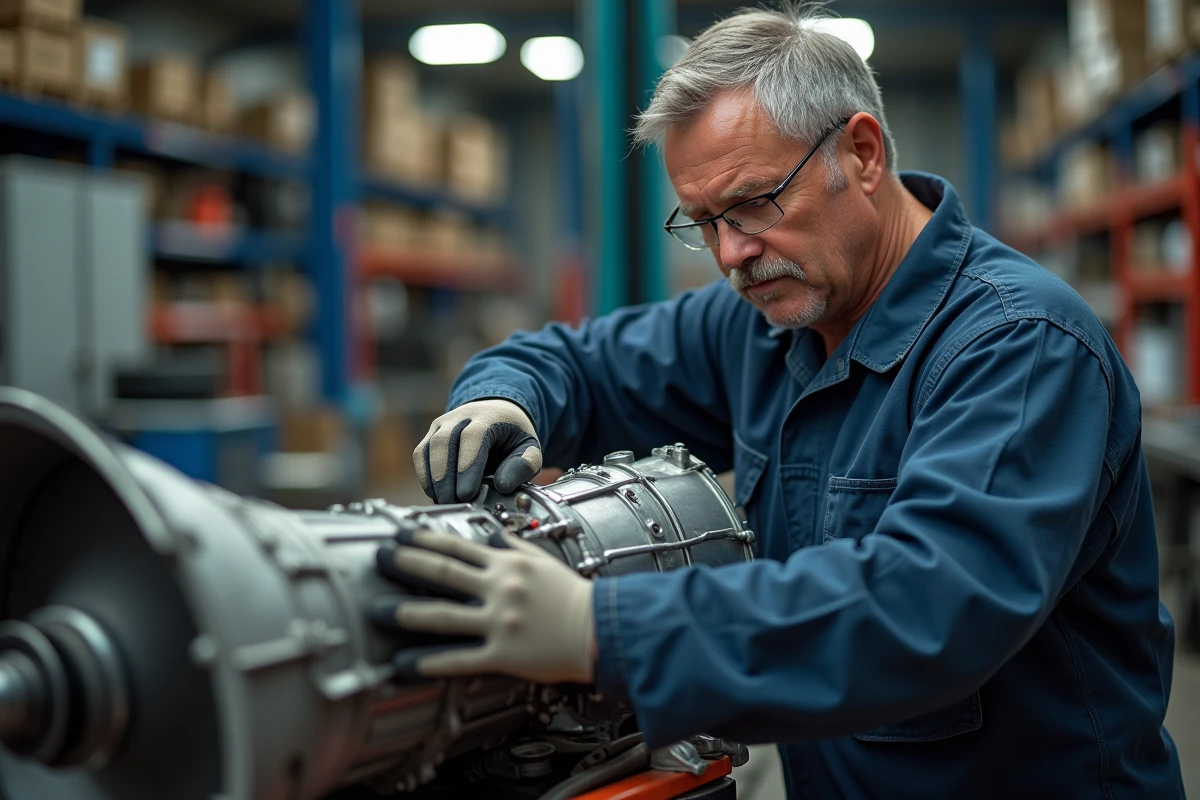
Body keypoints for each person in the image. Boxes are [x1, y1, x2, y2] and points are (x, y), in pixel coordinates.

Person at [369, 3, 1186, 796]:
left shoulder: (1018, 345)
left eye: (755, 203)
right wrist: (504, 399)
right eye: (703, 222)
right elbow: (570, 361)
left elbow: (924, 609)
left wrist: (600, 629)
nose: (732, 254)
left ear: (862, 154)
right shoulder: (766, 323)